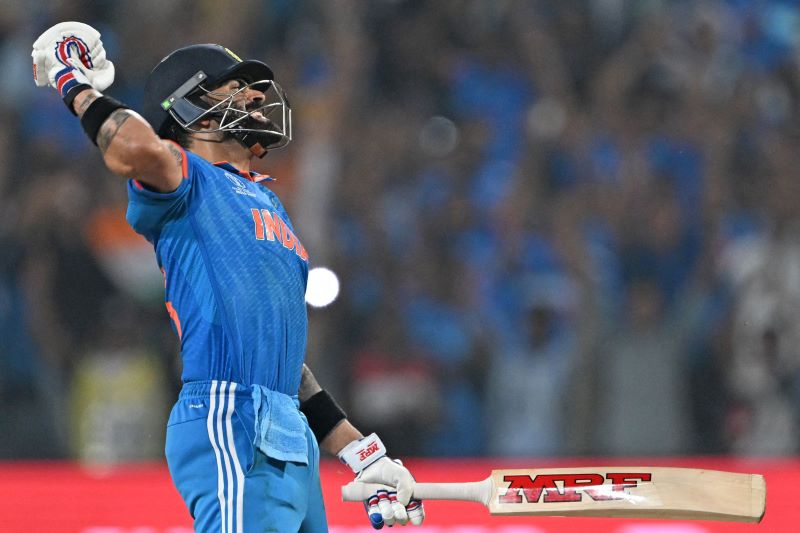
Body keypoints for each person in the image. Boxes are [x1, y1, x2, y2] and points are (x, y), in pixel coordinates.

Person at [32, 22, 424, 532]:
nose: (257, 96)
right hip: (231, 415)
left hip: (285, 426)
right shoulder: (185, 178)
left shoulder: (268, 203)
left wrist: (362, 453)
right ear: (187, 106)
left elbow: (283, 360)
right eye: (236, 87)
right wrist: (73, 83)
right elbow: (132, 149)